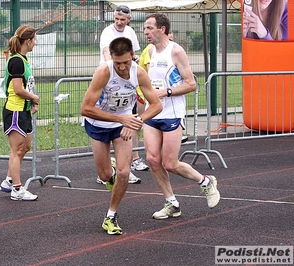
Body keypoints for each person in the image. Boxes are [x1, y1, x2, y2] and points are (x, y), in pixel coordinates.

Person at [143, 13, 220, 220]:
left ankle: (206, 182)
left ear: (162, 29)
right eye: (145, 28)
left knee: (170, 163)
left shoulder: (176, 51)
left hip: (172, 114)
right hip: (153, 112)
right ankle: (172, 203)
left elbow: (191, 84)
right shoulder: (149, 51)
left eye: (149, 28)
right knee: (152, 159)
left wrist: (166, 92)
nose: (145, 32)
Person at [81, 37, 162, 234]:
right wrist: (120, 119)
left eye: (126, 62)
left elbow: (157, 105)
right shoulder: (104, 72)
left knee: (124, 173)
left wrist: (136, 121)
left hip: (123, 126)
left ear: (133, 56)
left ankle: (111, 216)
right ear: (111, 59)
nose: (122, 67)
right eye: (118, 63)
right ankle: (112, 173)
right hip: (99, 124)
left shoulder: (139, 72)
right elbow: (85, 108)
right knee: (105, 175)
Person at [98, 5, 149, 180]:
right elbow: (106, 52)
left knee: (132, 119)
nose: (119, 23)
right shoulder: (107, 32)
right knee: (110, 122)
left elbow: (136, 54)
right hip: (109, 84)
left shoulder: (130, 32)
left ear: (129, 19)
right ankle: (109, 167)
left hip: (127, 84)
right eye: (116, 19)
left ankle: (130, 162)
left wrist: (135, 64)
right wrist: (112, 70)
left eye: (122, 20)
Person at [0, 25, 39, 201]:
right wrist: (34, 97)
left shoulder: (24, 60)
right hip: (14, 110)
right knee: (16, 150)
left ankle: (9, 180)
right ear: (28, 41)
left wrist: (31, 102)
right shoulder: (16, 61)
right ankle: (17, 189)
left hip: (23, 110)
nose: (35, 43)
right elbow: (17, 89)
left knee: (25, 147)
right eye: (35, 40)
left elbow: (25, 86)